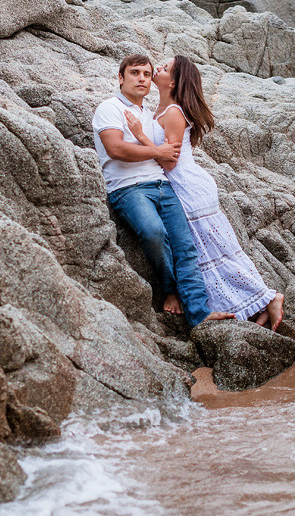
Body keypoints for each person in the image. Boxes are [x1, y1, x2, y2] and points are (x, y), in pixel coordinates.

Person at [123, 54, 285, 329]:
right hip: (179, 184)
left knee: (212, 251)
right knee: (208, 252)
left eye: (165, 68)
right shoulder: (159, 109)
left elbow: (169, 161)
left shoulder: (174, 112)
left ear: (173, 82)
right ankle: (255, 301)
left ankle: (267, 296)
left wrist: (139, 135)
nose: (157, 68)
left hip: (187, 186)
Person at [91, 54, 234, 329]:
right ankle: (170, 289)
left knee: (185, 246)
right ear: (120, 78)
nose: (142, 79)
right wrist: (158, 151)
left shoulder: (150, 114)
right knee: (154, 233)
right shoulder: (109, 107)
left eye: (147, 74)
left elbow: (172, 154)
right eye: (135, 73)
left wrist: (156, 148)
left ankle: (199, 313)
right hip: (127, 188)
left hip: (163, 184)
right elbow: (115, 149)